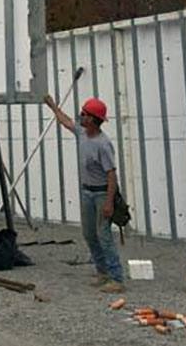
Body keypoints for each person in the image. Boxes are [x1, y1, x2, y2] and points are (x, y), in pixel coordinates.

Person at [43, 93, 125, 293]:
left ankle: (117, 278)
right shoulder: (82, 133)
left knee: (104, 236)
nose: (80, 116)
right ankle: (102, 272)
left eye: (84, 113)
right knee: (89, 234)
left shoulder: (103, 144)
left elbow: (111, 175)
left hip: (101, 194)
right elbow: (66, 121)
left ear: (93, 119)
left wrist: (109, 202)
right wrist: (52, 105)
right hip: (87, 192)